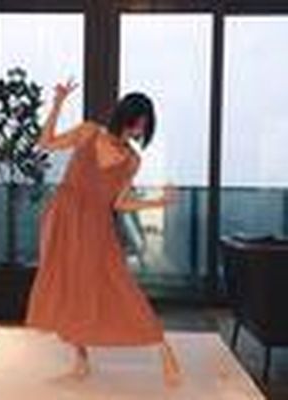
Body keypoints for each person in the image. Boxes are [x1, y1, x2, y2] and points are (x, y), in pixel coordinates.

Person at [24, 78, 181, 386]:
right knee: (70, 288)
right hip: (63, 218)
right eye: (138, 122)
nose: (140, 130)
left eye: (145, 126)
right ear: (126, 115)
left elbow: (119, 203)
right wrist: (57, 103)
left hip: (96, 226)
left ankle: (162, 346)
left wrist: (158, 202)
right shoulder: (88, 132)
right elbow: (46, 142)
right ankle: (81, 361)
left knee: (119, 284)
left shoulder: (132, 160)